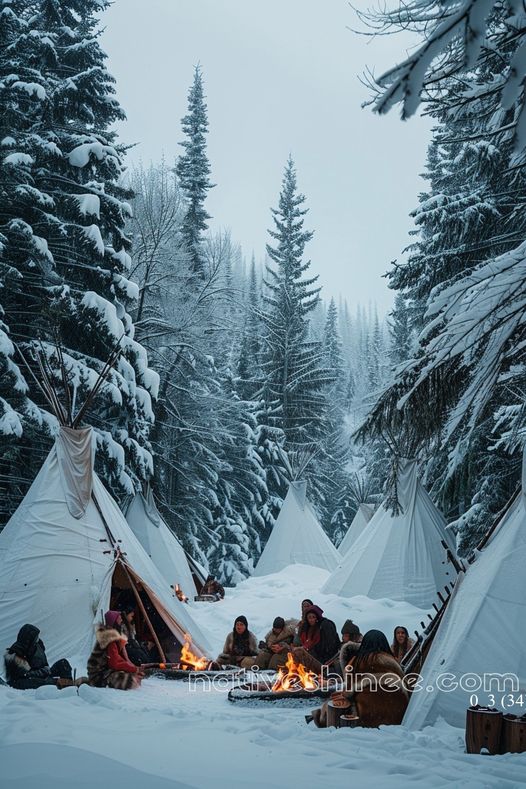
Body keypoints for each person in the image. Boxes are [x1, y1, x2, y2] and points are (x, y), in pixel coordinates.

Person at [309, 629, 408, 728]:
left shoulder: (359, 661)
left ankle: (321, 717)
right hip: (397, 715)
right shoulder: (392, 661)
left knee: (336, 704)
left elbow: (348, 691)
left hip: (367, 715)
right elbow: (406, 685)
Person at [4, 624, 84, 690]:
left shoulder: (37, 646)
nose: (37, 639)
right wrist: (46, 676)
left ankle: (69, 688)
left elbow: (44, 664)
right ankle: (61, 685)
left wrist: (46, 671)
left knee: (63, 663)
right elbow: (25, 675)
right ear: (28, 639)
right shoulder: (15, 653)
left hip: (42, 674)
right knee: (44, 682)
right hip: (23, 682)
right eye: (35, 638)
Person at [87, 611, 143, 691]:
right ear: (114, 622)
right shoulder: (109, 639)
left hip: (104, 672)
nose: (121, 621)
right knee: (131, 680)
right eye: (119, 619)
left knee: (133, 676)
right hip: (100, 676)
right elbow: (114, 663)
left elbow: (116, 659)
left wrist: (131, 668)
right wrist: (133, 669)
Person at [290, 605, 341, 674]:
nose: (311, 619)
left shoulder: (324, 626)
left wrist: (305, 649)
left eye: (313, 617)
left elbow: (328, 649)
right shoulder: (308, 629)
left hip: (324, 663)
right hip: (316, 658)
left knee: (299, 651)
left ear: (317, 617)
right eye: (309, 617)